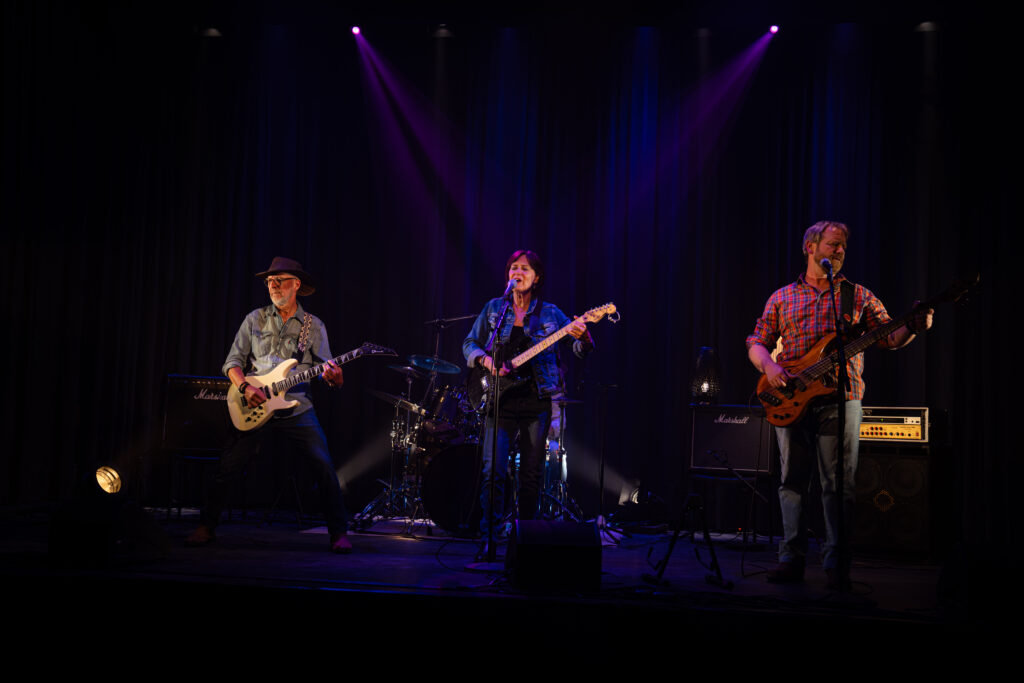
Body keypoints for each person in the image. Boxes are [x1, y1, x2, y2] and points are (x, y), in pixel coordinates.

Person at [746, 221, 933, 588]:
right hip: (791, 398)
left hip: (842, 398)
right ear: (810, 247)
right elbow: (757, 341)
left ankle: (836, 564)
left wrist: (913, 326)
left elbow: (889, 337)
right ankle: (790, 558)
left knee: (838, 484)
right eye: (833, 244)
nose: (840, 251)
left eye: (843, 245)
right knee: (791, 481)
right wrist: (770, 367)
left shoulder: (857, 296)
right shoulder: (782, 297)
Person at [187, 256, 352, 553]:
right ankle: (206, 526)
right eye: (269, 282)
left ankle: (339, 532)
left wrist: (334, 378)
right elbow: (232, 363)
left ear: (296, 285)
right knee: (227, 467)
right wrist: (245, 387)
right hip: (255, 402)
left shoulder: (314, 325)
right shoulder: (254, 319)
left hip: (297, 406)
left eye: (279, 280)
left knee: (324, 466)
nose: (273, 286)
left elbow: (327, 370)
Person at [463, 250, 593, 550]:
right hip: (499, 400)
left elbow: (578, 350)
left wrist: (585, 337)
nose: (517, 272)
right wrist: (485, 361)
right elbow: (469, 343)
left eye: (524, 268)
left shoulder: (551, 313)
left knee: (531, 476)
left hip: (537, 400)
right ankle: (490, 538)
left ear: (537, 278)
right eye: (513, 268)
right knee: (492, 472)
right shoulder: (495, 308)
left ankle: (526, 542)